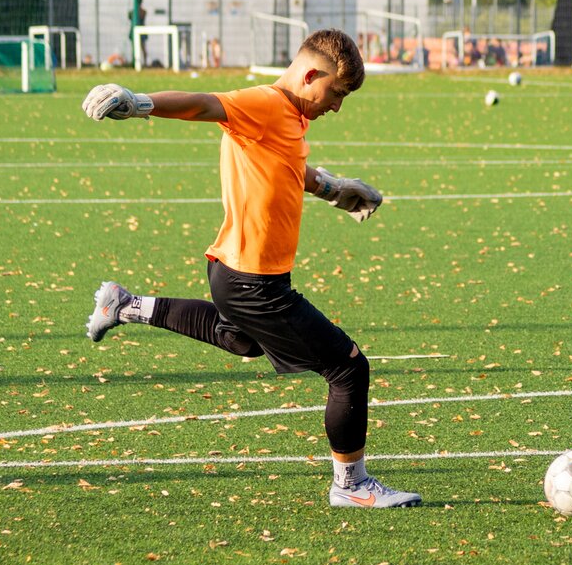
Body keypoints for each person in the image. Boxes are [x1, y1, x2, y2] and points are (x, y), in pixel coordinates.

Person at [80, 29, 421, 509]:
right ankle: (351, 484)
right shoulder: (263, 102)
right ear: (310, 74)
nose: (338, 106)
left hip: (234, 270)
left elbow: (288, 166)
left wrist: (335, 190)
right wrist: (139, 103)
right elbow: (206, 104)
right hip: (254, 283)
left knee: (242, 340)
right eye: (337, 92)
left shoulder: (290, 116)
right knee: (348, 368)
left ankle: (126, 305)